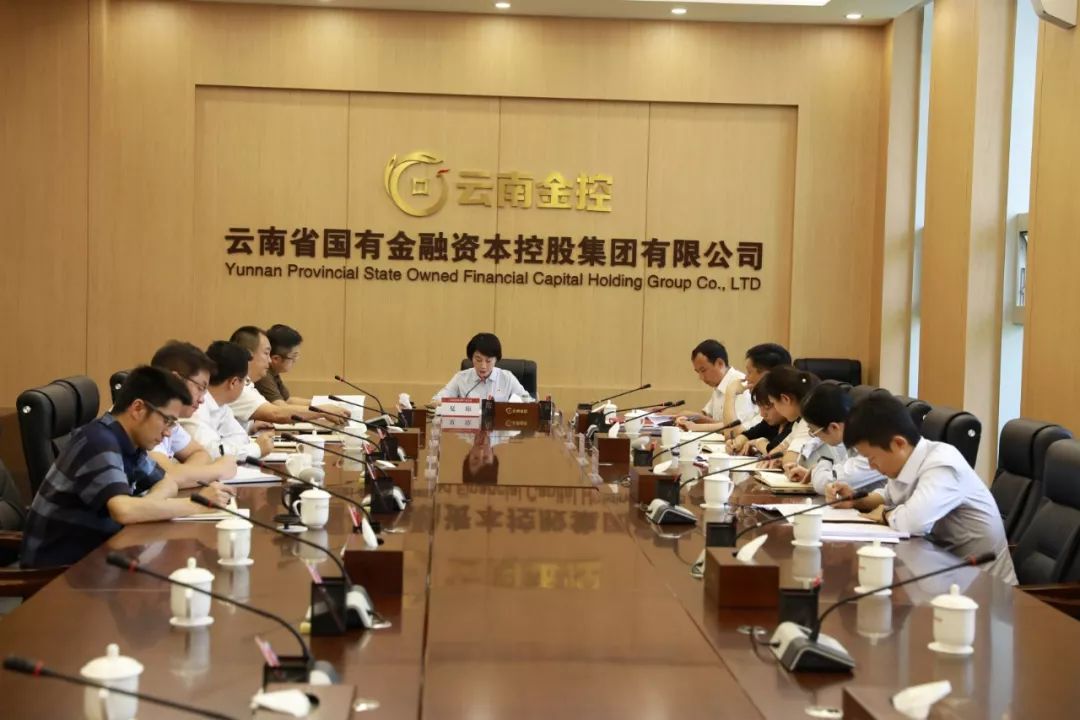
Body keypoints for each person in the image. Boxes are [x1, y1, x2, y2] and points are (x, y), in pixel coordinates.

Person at [20, 366, 232, 568]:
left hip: (99, 557)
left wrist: (143, 507)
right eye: (167, 421)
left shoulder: (129, 441)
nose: (168, 432)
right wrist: (196, 505)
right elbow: (122, 510)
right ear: (138, 408)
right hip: (60, 572)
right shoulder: (98, 441)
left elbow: (167, 482)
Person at [829, 394, 1016, 585]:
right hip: (941, 572)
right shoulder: (905, 462)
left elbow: (913, 522)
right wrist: (855, 500)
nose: (871, 466)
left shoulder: (943, 465)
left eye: (871, 458)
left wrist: (886, 514)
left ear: (899, 444)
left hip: (984, 585)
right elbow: (889, 496)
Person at [149, 341, 239, 486]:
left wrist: (185, 474)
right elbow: (165, 477)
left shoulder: (170, 421)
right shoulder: (147, 417)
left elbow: (201, 454)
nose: (202, 399)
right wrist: (218, 470)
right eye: (200, 388)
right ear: (176, 380)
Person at [227, 326, 345, 427]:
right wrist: (322, 411)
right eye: (266, 353)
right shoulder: (237, 386)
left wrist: (250, 427)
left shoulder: (246, 384)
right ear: (248, 355)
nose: (269, 360)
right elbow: (277, 413)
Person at [180, 341, 274, 460]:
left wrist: (224, 446)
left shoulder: (222, 406)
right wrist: (256, 449)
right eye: (246, 381)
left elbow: (241, 438)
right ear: (233, 382)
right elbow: (208, 453)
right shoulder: (194, 407)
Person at [785, 382, 885, 494]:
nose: (814, 436)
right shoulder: (854, 441)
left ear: (834, 427)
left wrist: (822, 463)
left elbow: (826, 484)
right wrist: (812, 473)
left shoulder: (871, 447)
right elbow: (838, 475)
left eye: (813, 431)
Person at [675, 339, 755, 435]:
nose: (701, 377)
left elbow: (734, 426)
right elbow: (708, 416)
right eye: (698, 372)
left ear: (720, 363)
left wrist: (696, 424)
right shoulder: (719, 384)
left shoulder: (741, 384)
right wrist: (691, 417)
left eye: (703, 370)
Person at [756, 365, 827, 470]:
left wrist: (783, 457)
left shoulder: (811, 420)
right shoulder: (800, 420)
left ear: (785, 399)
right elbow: (778, 450)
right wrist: (780, 455)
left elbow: (789, 462)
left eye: (773, 403)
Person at [433, 333, 533, 402]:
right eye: (478, 360)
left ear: (496, 360)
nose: (483, 366)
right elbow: (438, 399)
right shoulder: (461, 378)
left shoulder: (507, 378)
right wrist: (439, 403)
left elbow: (528, 402)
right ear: (471, 358)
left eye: (488, 361)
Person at [728, 382, 793, 456]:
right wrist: (736, 443)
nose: (762, 414)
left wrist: (757, 443)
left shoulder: (794, 424)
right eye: (760, 407)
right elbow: (749, 434)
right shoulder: (771, 423)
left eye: (767, 408)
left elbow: (773, 450)